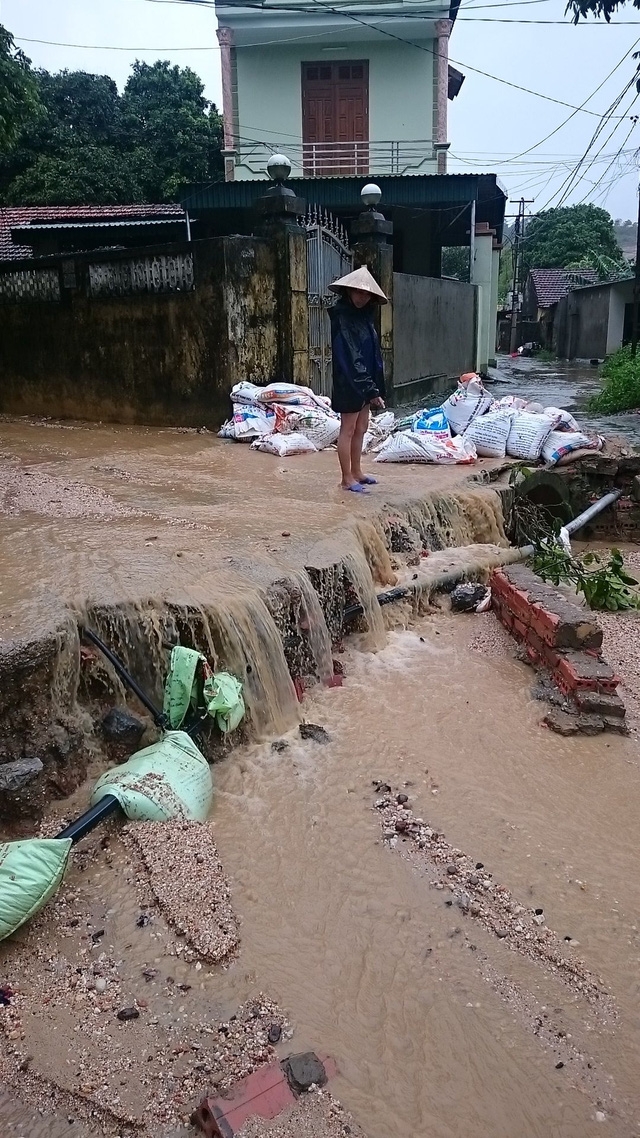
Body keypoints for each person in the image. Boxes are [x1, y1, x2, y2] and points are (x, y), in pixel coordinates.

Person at [328, 266, 388, 493]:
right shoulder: (343, 317)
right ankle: (346, 478)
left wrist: (375, 388)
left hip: (365, 381)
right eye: (357, 292)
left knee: (361, 427)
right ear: (348, 292)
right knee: (349, 429)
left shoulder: (365, 317)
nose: (361, 297)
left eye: (365, 294)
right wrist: (368, 387)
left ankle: (357, 471)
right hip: (349, 381)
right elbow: (351, 356)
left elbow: (372, 355)